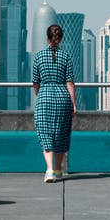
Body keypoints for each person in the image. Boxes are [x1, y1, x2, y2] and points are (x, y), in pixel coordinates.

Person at [31, 23, 76, 183]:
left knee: (46, 135)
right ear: (60, 38)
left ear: (47, 38)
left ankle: (49, 170)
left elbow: (35, 82)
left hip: (44, 98)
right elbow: (69, 82)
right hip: (63, 99)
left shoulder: (39, 56)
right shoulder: (66, 56)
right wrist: (73, 103)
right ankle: (58, 170)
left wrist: (41, 94)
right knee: (61, 135)